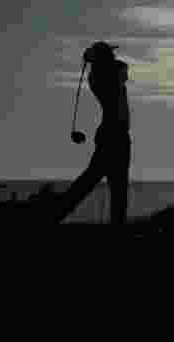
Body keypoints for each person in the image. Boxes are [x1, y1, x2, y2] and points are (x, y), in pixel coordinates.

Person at [52, 41, 132, 225]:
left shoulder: (102, 75)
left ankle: (57, 213)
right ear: (104, 59)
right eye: (110, 54)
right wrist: (94, 57)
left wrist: (92, 56)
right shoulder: (105, 76)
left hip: (114, 135)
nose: (114, 57)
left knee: (107, 184)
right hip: (114, 136)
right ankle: (56, 213)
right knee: (96, 182)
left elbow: (122, 70)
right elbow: (122, 69)